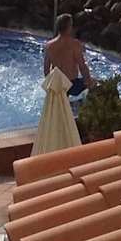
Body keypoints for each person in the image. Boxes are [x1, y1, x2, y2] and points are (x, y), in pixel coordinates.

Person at [33, 15, 86, 154]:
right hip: (73, 85)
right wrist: (89, 81)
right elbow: (82, 66)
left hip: (58, 87)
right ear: (69, 27)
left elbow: (46, 70)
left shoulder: (49, 46)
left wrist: (50, 87)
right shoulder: (75, 44)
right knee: (95, 87)